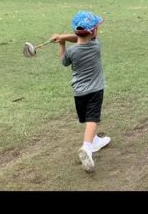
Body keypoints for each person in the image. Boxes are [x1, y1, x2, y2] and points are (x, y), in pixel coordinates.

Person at [51, 10, 110, 172]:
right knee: (93, 120)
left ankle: (95, 141)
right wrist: (64, 37)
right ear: (93, 32)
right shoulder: (96, 45)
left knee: (87, 118)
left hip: (78, 93)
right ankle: (87, 148)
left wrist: (62, 41)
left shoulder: (71, 52)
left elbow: (64, 62)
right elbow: (81, 38)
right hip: (95, 90)